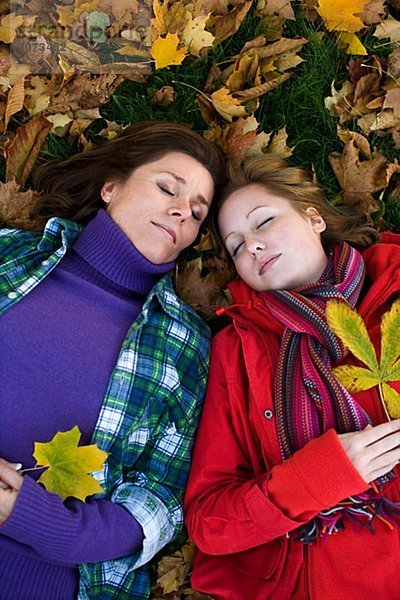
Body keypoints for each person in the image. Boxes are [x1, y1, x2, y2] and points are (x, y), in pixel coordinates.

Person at [0, 120, 225, 600]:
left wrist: (42, 523)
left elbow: (161, 501)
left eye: (197, 213)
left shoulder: (184, 344)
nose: (182, 211)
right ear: (110, 187)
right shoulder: (7, 254)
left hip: (38, 577)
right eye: (168, 187)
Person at [184, 153, 400, 600]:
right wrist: (317, 478)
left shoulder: (395, 283)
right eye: (237, 246)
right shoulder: (238, 350)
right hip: (327, 575)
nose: (253, 246)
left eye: (263, 222)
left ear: (313, 217)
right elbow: (210, 522)